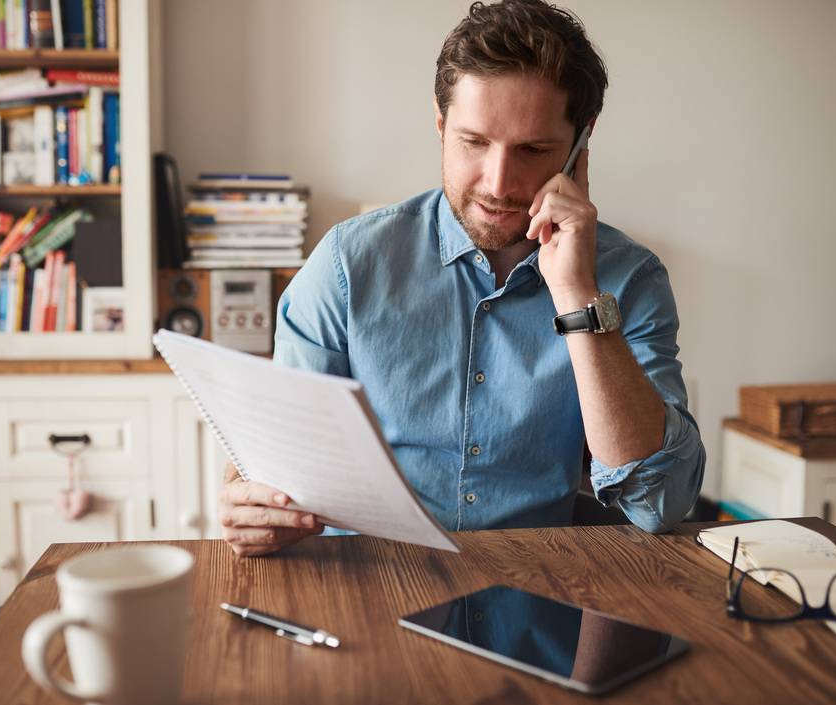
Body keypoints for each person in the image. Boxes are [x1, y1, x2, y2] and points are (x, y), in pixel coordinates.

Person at [219, 0, 706, 557]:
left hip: (540, 604)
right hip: (369, 597)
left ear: (580, 143)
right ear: (440, 121)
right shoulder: (346, 265)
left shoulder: (628, 278)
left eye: (533, 150)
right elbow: (275, 463)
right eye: (474, 142)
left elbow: (660, 505)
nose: (499, 183)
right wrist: (248, 502)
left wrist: (577, 296)